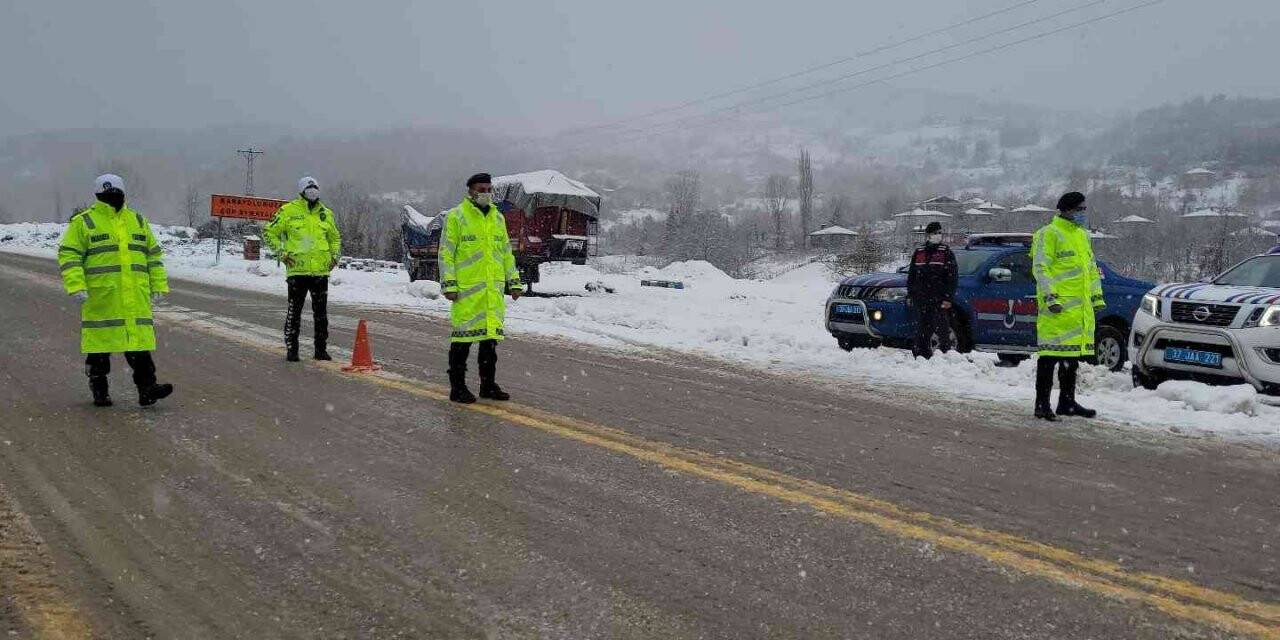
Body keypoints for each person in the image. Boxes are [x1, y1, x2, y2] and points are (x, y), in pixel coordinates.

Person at [57, 174, 174, 407]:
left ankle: (147, 389)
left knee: (138, 346)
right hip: (102, 297)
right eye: (106, 194)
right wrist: (76, 285)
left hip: (135, 298)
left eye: (116, 194)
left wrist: (158, 283)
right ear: (98, 195)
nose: (112, 198)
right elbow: (69, 255)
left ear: (123, 194)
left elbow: (153, 255)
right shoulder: (84, 222)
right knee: (100, 347)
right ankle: (99, 388)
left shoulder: (138, 221)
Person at [439, 173, 523, 403]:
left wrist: (514, 282)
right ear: (470, 191)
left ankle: (488, 385)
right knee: (462, 342)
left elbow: (505, 253)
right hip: (466, 291)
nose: (486, 193)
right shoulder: (457, 216)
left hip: (491, 292)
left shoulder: (497, 218)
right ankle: (457, 387)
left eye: (488, 189)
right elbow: (446, 253)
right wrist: (448, 284)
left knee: (489, 342)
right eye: (481, 189)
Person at [1031, 191, 1103, 421]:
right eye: (1080, 209)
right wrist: (1051, 298)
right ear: (1068, 209)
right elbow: (1041, 268)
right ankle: (1041, 405)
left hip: (1078, 312)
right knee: (1049, 357)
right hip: (1056, 310)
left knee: (1071, 359)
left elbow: (1090, 270)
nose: (1084, 213)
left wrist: (1096, 297)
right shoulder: (1048, 234)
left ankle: (1067, 402)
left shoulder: (1082, 236)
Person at [263, 177, 341, 362]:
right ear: (301, 191)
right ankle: (292, 349)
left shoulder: (326, 214)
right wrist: (281, 253)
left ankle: (321, 350)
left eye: (315, 187)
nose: (313, 190)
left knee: (321, 314)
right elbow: (269, 232)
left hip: (320, 272)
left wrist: (335, 257)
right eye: (309, 187)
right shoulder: (288, 211)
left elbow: (335, 238)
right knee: (294, 312)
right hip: (297, 271)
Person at [907, 221, 958, 359]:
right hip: (921, 298)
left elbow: (952, 277)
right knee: (923, 327)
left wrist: (948, 298)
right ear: (928, 235)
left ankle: (944, 355)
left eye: (940, 233)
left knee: (942, 328)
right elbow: (912, 275)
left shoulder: (945, 252)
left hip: (939, 298)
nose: (938, 235)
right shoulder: (919, 252)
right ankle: (920, 354)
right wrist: (910, 294)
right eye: (935, 233)